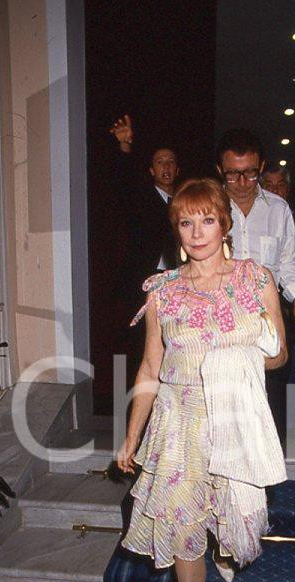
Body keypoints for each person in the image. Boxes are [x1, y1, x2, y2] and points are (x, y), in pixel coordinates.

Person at [117, 177, 287, 582]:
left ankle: (228, 546)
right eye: (186, 222)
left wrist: (243, 350)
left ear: (225, 223)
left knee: (236, 527)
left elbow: (278, 358)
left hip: (235, 419)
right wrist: (131, 438)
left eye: (207, 220)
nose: (197, 232)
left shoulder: (256, 280)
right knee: (184, 529)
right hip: (179, 425)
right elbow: (150, 369)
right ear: (176, 230)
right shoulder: (163, 292)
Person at [215, 129, 295, 450]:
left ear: (262, 166)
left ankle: (266, 479)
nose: (242, 182)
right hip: (220, 321)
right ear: (220, 170)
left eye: (250, 173)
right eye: (233, 174)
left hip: (265, 320)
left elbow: (287, 262)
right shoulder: (209, 207)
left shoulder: (278, 210)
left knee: (268, 401)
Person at [109, 114, 180, 387]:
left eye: (171, 161)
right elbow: (123, 181)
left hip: (178, 284)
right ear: (151, 170)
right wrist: (125, 146)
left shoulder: (185, 203)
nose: (166, 166)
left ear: (177, 169)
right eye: (160, 161)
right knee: (143, 352)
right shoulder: (141, 198)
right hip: (144, 286)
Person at [261, 164, 295, 387]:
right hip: (253, 306)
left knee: (287, 367)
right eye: (268, 185)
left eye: (279, 185)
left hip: (285, 302)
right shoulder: (250, 216)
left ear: (288, 189)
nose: (274, 191)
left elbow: (290, 261)